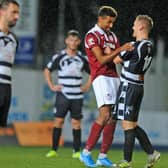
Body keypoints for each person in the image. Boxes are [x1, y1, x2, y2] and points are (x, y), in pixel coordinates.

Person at [80, 6, 133, 168]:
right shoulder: (92, 35)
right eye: (109, 22)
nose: (111, 25)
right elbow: (102, 60)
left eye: (113, 22)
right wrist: (120, 49)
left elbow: (115, 59)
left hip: (113, 76)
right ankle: (86, 153)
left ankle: (103, 156)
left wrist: (127, 60)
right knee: (104, 115)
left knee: (113, 117)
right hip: (101, 77)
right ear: (101, 18)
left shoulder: (111, 36)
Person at [112, 15, 161, 168]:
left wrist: (115, 51)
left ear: (141, 27)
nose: (132, 27)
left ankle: (127, 161)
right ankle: (151, 153)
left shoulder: (135, 45)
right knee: (132, 124)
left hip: (129, 86)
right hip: (139, 86)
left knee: (127, 124)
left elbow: (116, 60)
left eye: (134, 25)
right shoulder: (150, 46)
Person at [44, 30, 92, 159]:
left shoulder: (82, 58)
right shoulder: (59, 56)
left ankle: (76, 151)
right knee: (58, 121)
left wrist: (87, 86)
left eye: (76, 40)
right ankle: (54, 150)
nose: (73, 42)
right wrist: (51, 85)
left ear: (79, 42)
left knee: (76, 123)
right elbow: (47, 70)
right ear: (66, 41)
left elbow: (93, 72)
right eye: (71, 40)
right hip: (63, 94)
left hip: (77, 95)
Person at [0, 0, 20, 134]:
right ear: (2, 12)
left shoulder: (14, 39)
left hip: (6, 86)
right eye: (13, 12)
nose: (17, 16)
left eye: (18, 13)